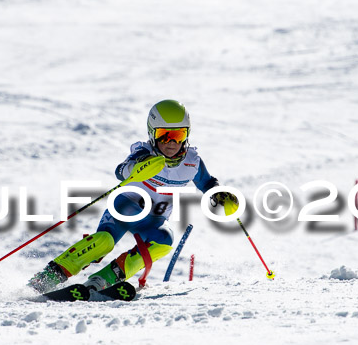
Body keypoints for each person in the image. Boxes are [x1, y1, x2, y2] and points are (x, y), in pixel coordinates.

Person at [29, 99, 237, 293]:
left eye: (178, 135)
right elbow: (121, 170)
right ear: (152, 134)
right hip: (125, 209)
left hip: (154, 219)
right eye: (164, 135)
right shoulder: (144, 152)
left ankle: (103, 280)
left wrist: (219, 194)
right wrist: (137, 167)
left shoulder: (192, 162)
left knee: (164, 241)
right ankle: (48, 278)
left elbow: (207, 182)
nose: (171, 143)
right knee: (103, 242)